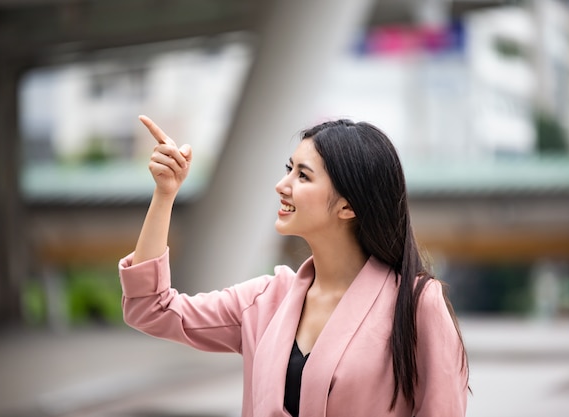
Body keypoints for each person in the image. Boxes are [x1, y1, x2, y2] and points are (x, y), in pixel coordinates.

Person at [119, 115, 469, 417]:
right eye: (289, 169)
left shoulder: (416, 303)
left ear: (348, 206)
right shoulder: (266, 300)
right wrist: (165, 194)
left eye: (303, 176)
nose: (281, 186)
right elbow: (151, 308)